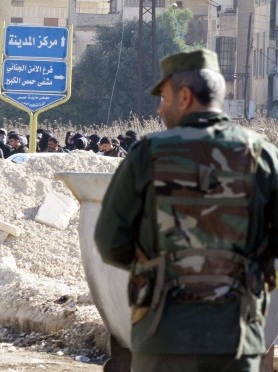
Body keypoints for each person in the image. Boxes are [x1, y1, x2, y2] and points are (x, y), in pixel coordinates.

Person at [95, 48, 278, 371]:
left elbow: (111, 241)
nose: (159, 107)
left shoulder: (146, 155)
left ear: (185, 96)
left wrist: (154, 267)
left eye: (163, 97)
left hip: (163, 334)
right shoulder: (263, 156)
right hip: (236, 335)